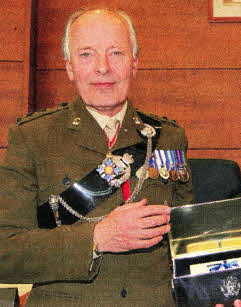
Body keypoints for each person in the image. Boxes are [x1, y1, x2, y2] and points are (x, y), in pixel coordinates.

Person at [0, 8, 193, 306]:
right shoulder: (32, 137)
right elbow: (5, 252)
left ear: (134, 64)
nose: (103, 68)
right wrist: (97, 237)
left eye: (116, 53)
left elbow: (188, 238)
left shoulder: (167, 136)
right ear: (69, 68)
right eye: (86, 55)